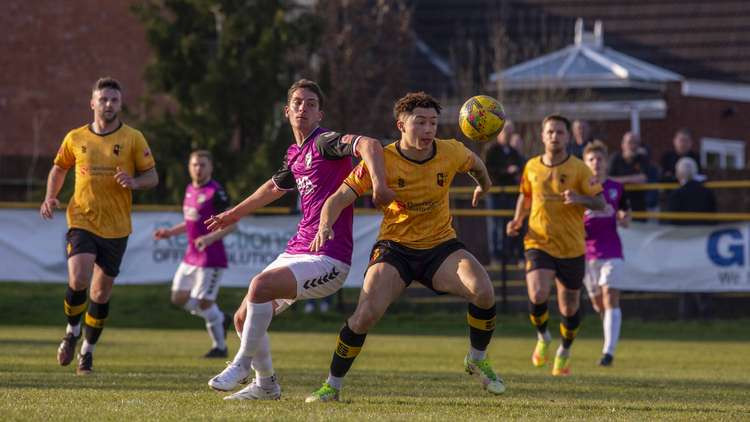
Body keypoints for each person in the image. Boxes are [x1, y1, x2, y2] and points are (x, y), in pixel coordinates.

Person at [305, 91, 504, 403]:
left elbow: (476, 164)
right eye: (420, 122)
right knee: (365, 315)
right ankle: (332, 385)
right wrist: (325, 224)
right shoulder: (382, 160)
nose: (428, 130)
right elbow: (338, 198)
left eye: (433, 123)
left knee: (484, 290)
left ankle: (477, 359)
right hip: (395, 249)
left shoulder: (450, 151)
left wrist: (484, 185)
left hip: (441, 246)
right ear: (401, 124)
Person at [203, 79, 393, 400]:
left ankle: (241, 363)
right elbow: (273, 188)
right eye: (297, 103)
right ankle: (266, 385)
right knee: (242, 317)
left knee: (259, 286)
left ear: (320, 114)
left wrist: (378, 184)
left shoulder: (325, 142)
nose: (303, 108)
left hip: (328, 256)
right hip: (298, 250)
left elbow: (370, 145)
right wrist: (233, 213)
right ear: (286, 112)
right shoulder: (296, 153)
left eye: (311, 104)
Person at [40, 77, 158, 375]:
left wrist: (134, 182)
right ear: (92, 103)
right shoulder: (75, 137)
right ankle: (71, 331)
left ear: (120, 104)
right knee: (78, 277)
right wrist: (50, 197)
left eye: (114, 100)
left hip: (117, 227)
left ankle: (87, 352)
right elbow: (59, 168)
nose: (108, 105)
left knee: (100, 293)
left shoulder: (133, 138)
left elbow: (152, 177)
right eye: (103, 99)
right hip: (82, 219)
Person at [506, 114, 605, 376]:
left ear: (568, 137)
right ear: (542, 136)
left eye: (560, 132)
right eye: (550, 132)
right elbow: (525, 197)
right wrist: (517, 220)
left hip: (572, 247)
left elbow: (601, 203)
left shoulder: (580, 169)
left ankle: (565, 351)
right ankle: (543, 336)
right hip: (538, 241)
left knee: (569, 308)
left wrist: (580, 197)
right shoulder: (531, 166)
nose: (554, 136)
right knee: (537, 293)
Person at [153, 150, 235, 358]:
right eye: (195, 165)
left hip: (211, 257)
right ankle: (221, 317)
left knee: (203, 303)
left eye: (203, 165)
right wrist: (170, 232)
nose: (198, 168)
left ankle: (220, 347)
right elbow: (190, 222)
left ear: (211, 168)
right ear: (189, 167)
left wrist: (209, 238)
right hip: (191, 255)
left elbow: (232, 223)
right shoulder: (189, 189)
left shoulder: (216, 192)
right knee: (178, 297)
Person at [582, 141, 631, 367]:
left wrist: (624, 217)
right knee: (598, 304)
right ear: (585, 163)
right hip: (587, 255)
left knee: (611, 297)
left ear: (606, 162)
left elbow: (626, 214)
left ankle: (608, 353)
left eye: (600, 159)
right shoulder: (580, 188)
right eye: (591, 159)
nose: (596, 163)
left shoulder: (616, 188)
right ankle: (608, 336)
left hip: (612, 251)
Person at [666, 157, 717, 319]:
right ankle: (706, 313)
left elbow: (672, 221)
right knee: (704, 277)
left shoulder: (676, 194)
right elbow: (714, 217)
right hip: (705, 242)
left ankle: (686, 314)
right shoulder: (707, 192)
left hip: (683, 243)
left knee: (685, 278)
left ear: (679, 174)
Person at [482, 121, 524, 262]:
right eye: (506, 131)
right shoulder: (491, 149)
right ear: (499, 132)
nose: (508, 135)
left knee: (508, 224)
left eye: (510, 132)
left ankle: (508, 256)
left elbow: (519, 167)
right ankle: (496, 258)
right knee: (495, 225)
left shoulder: (513, 152)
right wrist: (506, 172)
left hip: (510, 194)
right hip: (495, 194)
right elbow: (487, 171)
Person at [608, 132, 650, 219]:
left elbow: (642, 179)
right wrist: (632, 179)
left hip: (637, 205)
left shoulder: (642, 158)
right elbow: (608, 179)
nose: (633, 145)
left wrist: (620, 180)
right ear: (623, 144)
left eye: (636, 143)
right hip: (618, 203)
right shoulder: (615, 158)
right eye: (630, 142)